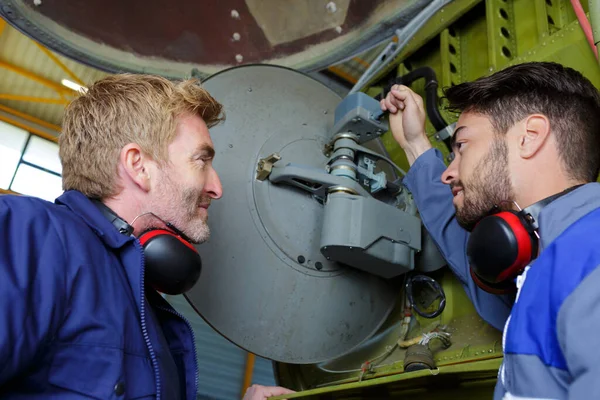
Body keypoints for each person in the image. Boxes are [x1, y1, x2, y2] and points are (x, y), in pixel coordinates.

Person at [0, 74, 293, 399]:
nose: (216, 188)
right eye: (201, 161)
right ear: (138, 165)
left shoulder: (146, 306)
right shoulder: (28, 235)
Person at [381, 61, 600, 399]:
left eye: (462, 146)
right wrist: (414, 144)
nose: (447, 173)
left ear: (529, 137)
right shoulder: (538, 270)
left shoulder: (589, 259)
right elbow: (462, 239)